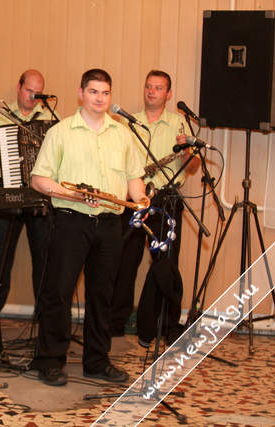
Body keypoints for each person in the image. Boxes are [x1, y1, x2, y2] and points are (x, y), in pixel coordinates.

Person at [30, 69, 148, 386]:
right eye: (94, 91)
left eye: (105, 93)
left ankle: (97, 361)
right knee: (59, 292)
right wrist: (72, 194)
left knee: (102, 295)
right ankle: (50, 361)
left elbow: (134, 177)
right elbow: (39, 179)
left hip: (110, 224)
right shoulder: (61, 132)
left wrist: (140, 198)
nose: (100, 98)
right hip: (71, 221)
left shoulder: (122, 134)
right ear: (81, 93)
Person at [110, 70, 199, 342]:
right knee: (124, 261)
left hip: (166, 198)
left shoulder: (179, 124)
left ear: (168, 94)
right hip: (133, 199)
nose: (152, 91)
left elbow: (193, 165)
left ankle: (163, 325)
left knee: (166, 263)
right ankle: (115, 321)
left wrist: (187, 151)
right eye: (149, 86)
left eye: (158, 88)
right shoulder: (129, 122)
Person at [0, 70, 55, 328]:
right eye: (29, 90)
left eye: (37, 93)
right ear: (18, 87)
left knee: (45, 258)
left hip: (39, 194)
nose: (32, 96)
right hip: (5, 191)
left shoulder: (50, 120)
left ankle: (45, 318)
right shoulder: (0, 116)